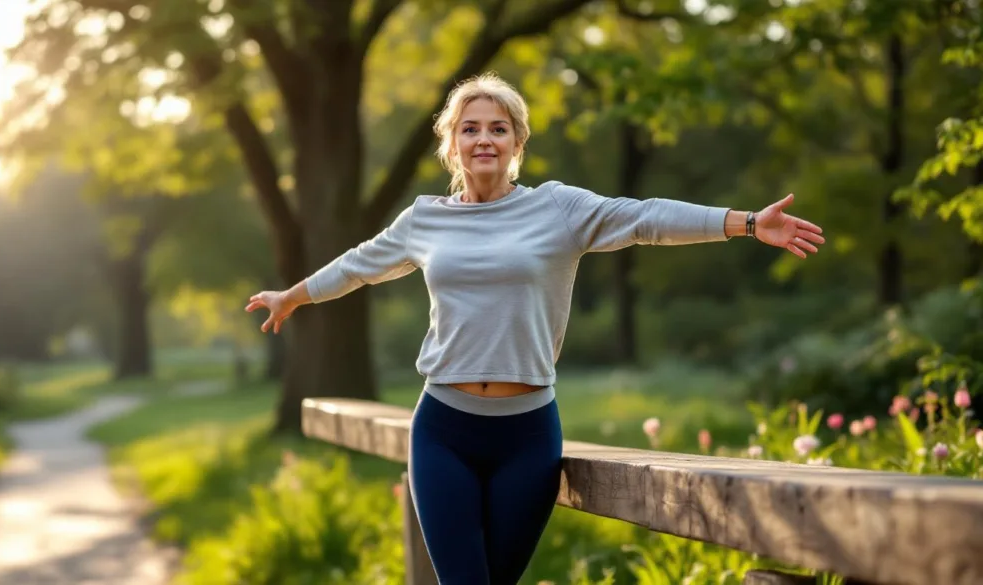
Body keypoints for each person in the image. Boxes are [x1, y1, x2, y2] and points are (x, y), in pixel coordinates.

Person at [245, 72, 825, 584]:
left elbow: (646, 216)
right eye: (470, 129)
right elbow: (358, 265)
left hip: (527, 436)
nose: (484, 139)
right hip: (443, 430)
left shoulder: (558, 209)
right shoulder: (426, 219)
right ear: (452, 144)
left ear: (517, 143)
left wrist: (746, 223)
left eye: (498, 129)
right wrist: (291, 296)